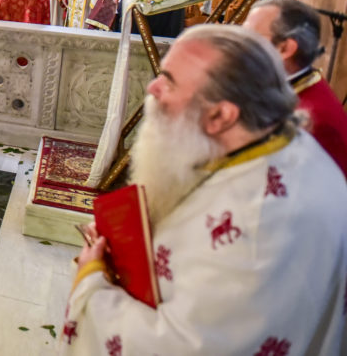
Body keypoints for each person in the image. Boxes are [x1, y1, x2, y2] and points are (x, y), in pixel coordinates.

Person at [64, 25, 347, 355]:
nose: (153, 87)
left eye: (168, 81)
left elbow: (174, 347)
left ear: (220, 115)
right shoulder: (283, 144)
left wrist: (92, 279)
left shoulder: (256, 230)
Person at [243, 0, 347, 177]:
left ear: (285, 49)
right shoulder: (283, 85)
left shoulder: (314, 122)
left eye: (250, 38)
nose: (239, 46)